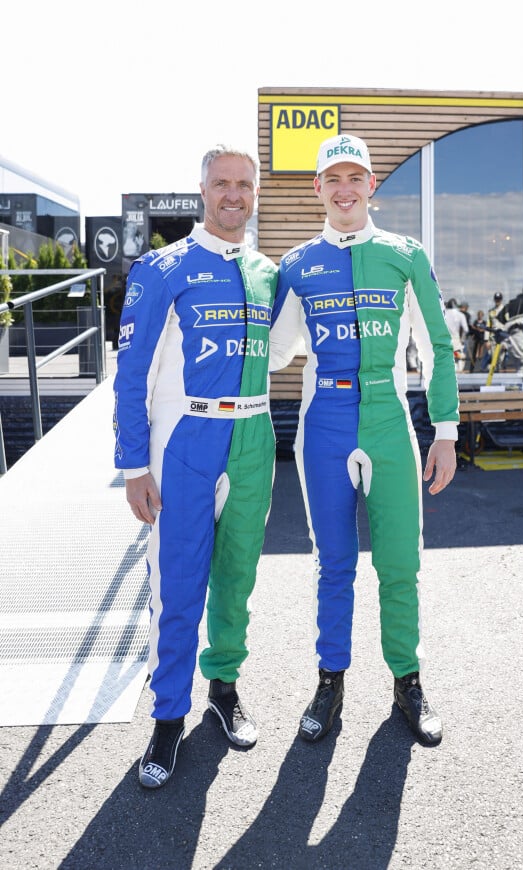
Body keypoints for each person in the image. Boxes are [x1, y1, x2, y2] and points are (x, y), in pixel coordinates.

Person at [269, 133, 459, 747]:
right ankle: (330, 681)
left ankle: (408, 679)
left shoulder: (406, 254)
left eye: (356, 178)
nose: (345, 189)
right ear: (317, 188)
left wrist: (447, 432)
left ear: (371, 186)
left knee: (400, 561)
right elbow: (273, 353)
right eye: (333, 178)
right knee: (333, 564)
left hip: (388, 416)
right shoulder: (296, 265)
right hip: (323, 417)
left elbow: (437, 347)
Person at [113, 145, 278, 789]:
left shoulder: (269, 273)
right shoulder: (163, 267)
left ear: (254, 191)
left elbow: (288, 346)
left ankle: (224, 688)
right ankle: (166, 721)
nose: (233, 194)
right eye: (221, 183)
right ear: (202, 189)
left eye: (244, 184)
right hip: (185, 441)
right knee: (177, 582)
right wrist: (133, 465)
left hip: (254, 435)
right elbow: (131, 376)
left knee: (236, 578)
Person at [480, 291, 505, 371]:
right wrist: (486, 340)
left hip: (503, 338)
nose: (497, 301)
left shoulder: (506, 310)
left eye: (499, 299)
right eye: (496, 299)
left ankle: (500, 374)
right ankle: (494, 377)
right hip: (493, 338)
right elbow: (488, 326)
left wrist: (507, 341)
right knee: (494, 358)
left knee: (501, 359)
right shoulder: (491, 311)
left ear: (501, 300)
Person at [444, 298, 469, 372]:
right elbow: (466, 329)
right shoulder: (460, 315)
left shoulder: (443, 314)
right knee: (459, 358)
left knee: (447, 358)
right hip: (456, 339)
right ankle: (459, 376)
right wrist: (462, 340)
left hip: (445, 339)